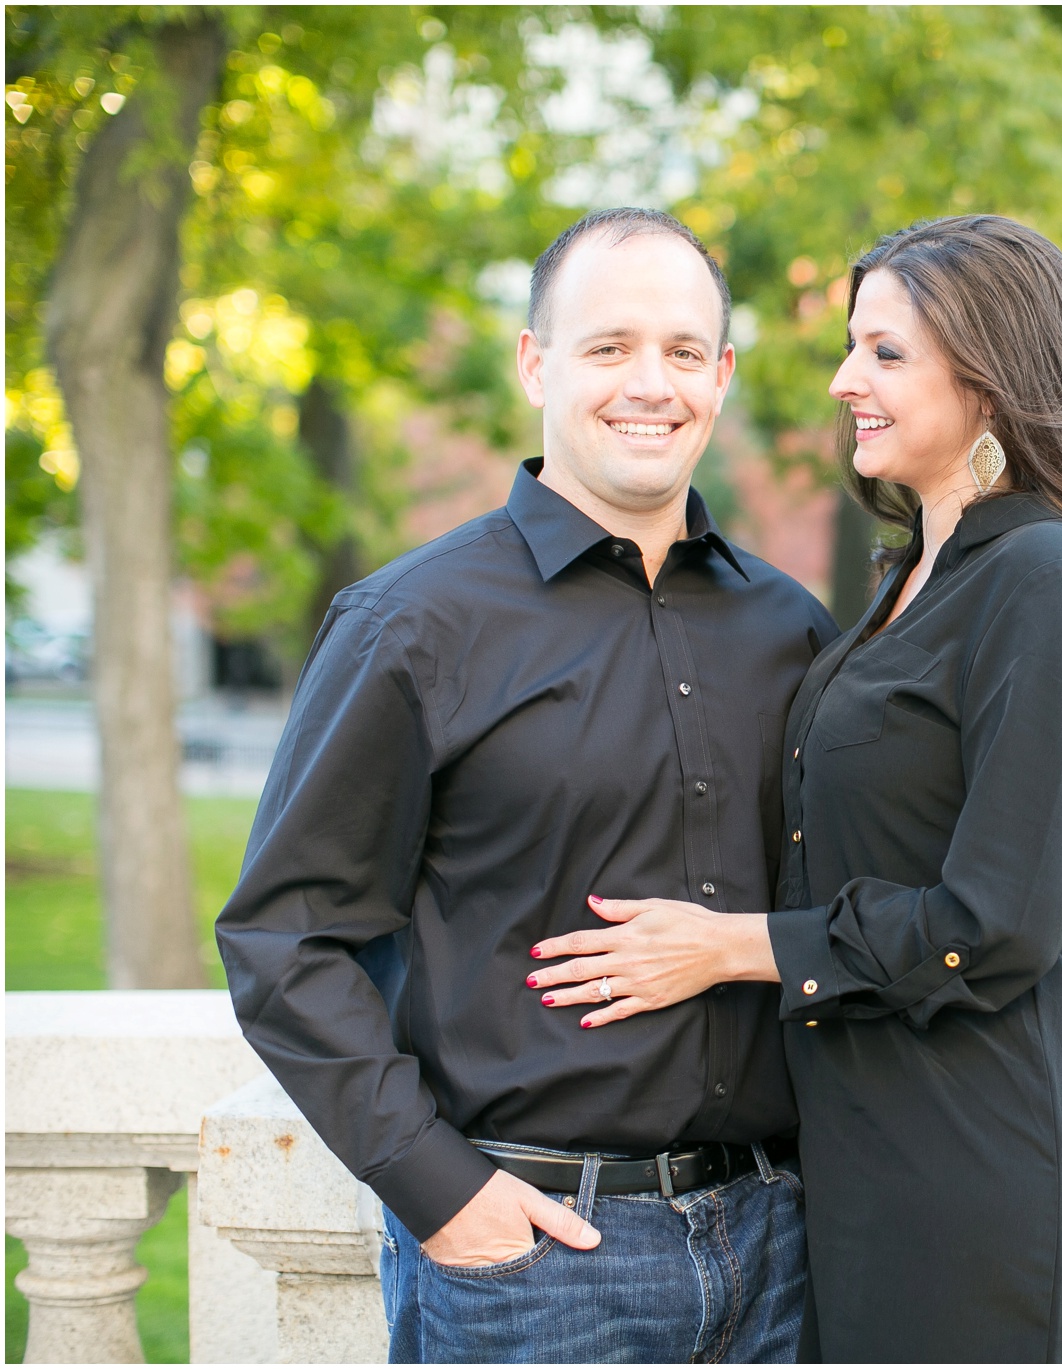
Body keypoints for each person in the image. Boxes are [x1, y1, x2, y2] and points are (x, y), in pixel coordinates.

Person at [524, 214, 1062, 1361]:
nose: (842, 381)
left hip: (985, 1145)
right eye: (850, 346)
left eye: (884, 353)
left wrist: (731, 946)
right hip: (860, 1133)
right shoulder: (907, 578)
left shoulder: (1049, 581)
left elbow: (998, 921)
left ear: (989, 378)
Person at [217, 207, 838, 1364]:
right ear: (534, 362)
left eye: (683, 352)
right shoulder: (412, 625)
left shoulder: (790, 631)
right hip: (538, 1267)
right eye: (608, 347)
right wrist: (442, 1192)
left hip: (781, 1250)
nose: (649, 383)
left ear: (723, 376)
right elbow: (283, 939)